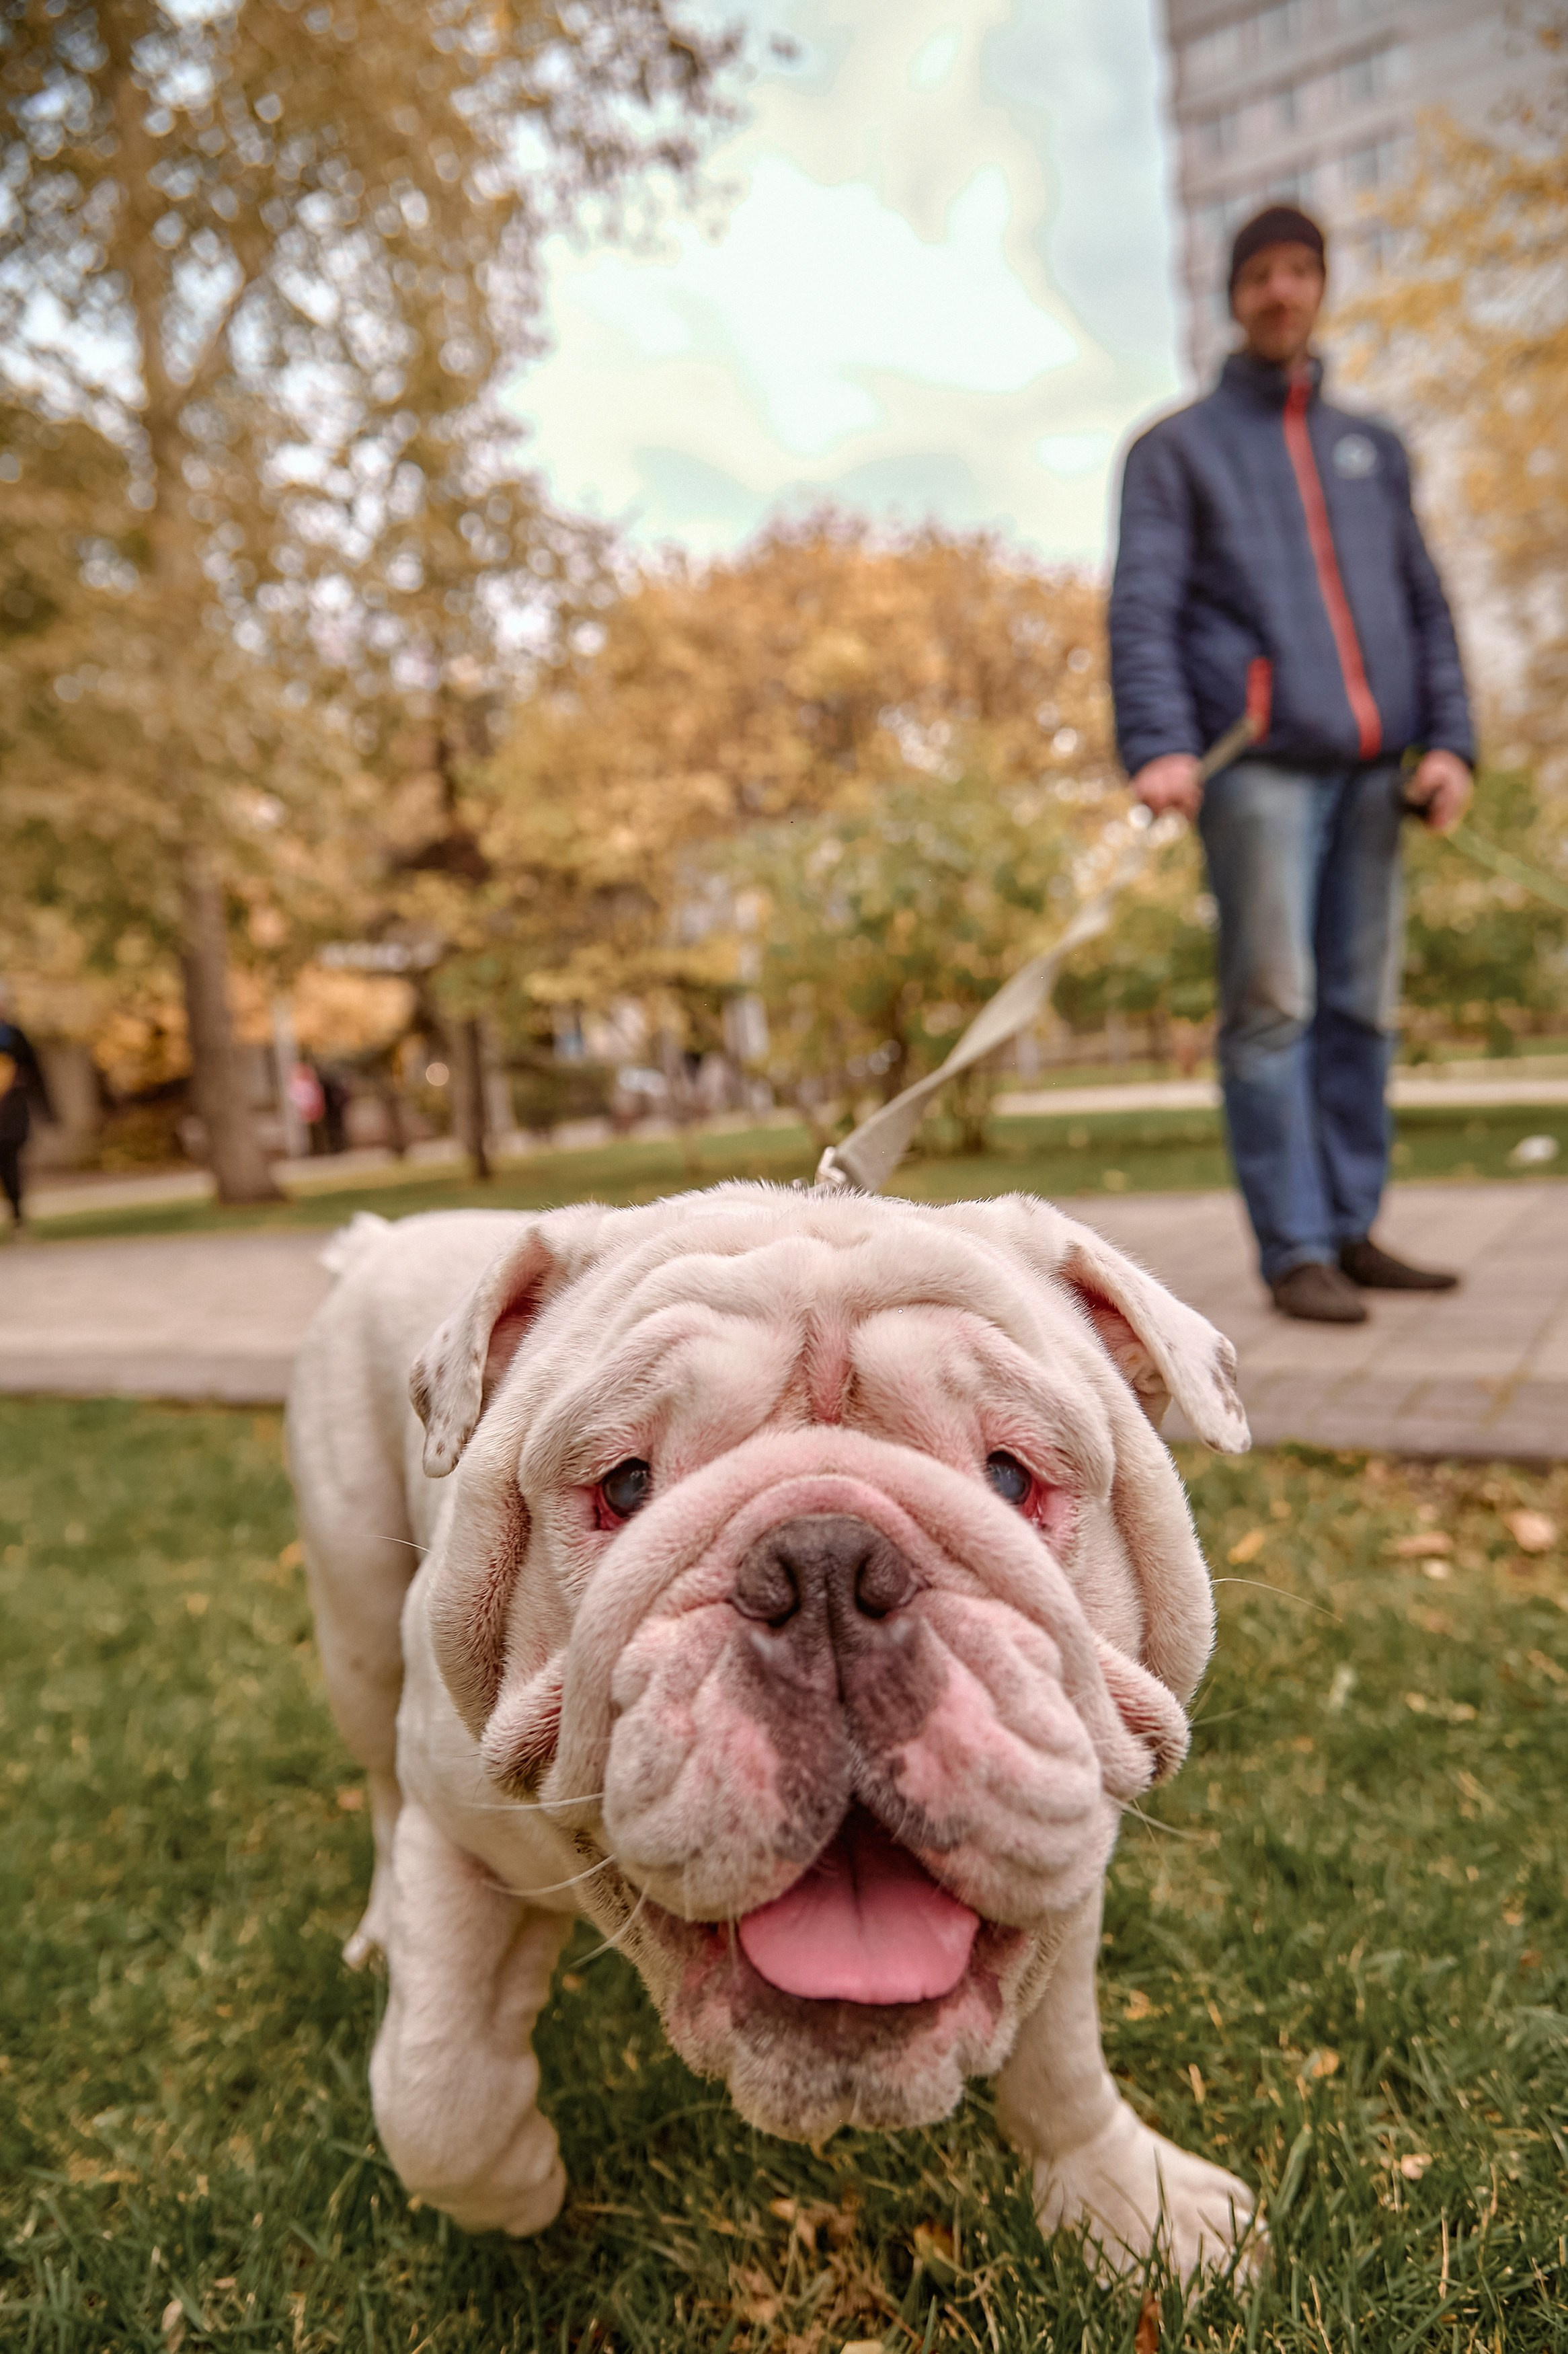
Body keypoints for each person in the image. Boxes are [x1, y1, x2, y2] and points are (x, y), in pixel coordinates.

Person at [1109, 204, 1475, 1324]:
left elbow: (1422, 604)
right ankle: (1293, 1247)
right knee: (1274, 1005)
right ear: (1233, 294)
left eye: (1299, 272)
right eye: (1260, 273)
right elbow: (1141, 605)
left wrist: (1451, 739)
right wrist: (1160, 742)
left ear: (1320, 288)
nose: (1280, 291)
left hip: (1375, 770)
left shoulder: (1373, 448)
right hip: (1254, 762)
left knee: (1360, 1009)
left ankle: (1351, 1227)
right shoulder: (1176, 450)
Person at [0, 987, 57, 1236]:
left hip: (10, 1113)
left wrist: (47, 1111)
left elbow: (35, 1074)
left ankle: (18, 1218)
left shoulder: (14, 1036)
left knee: (10, 1165)